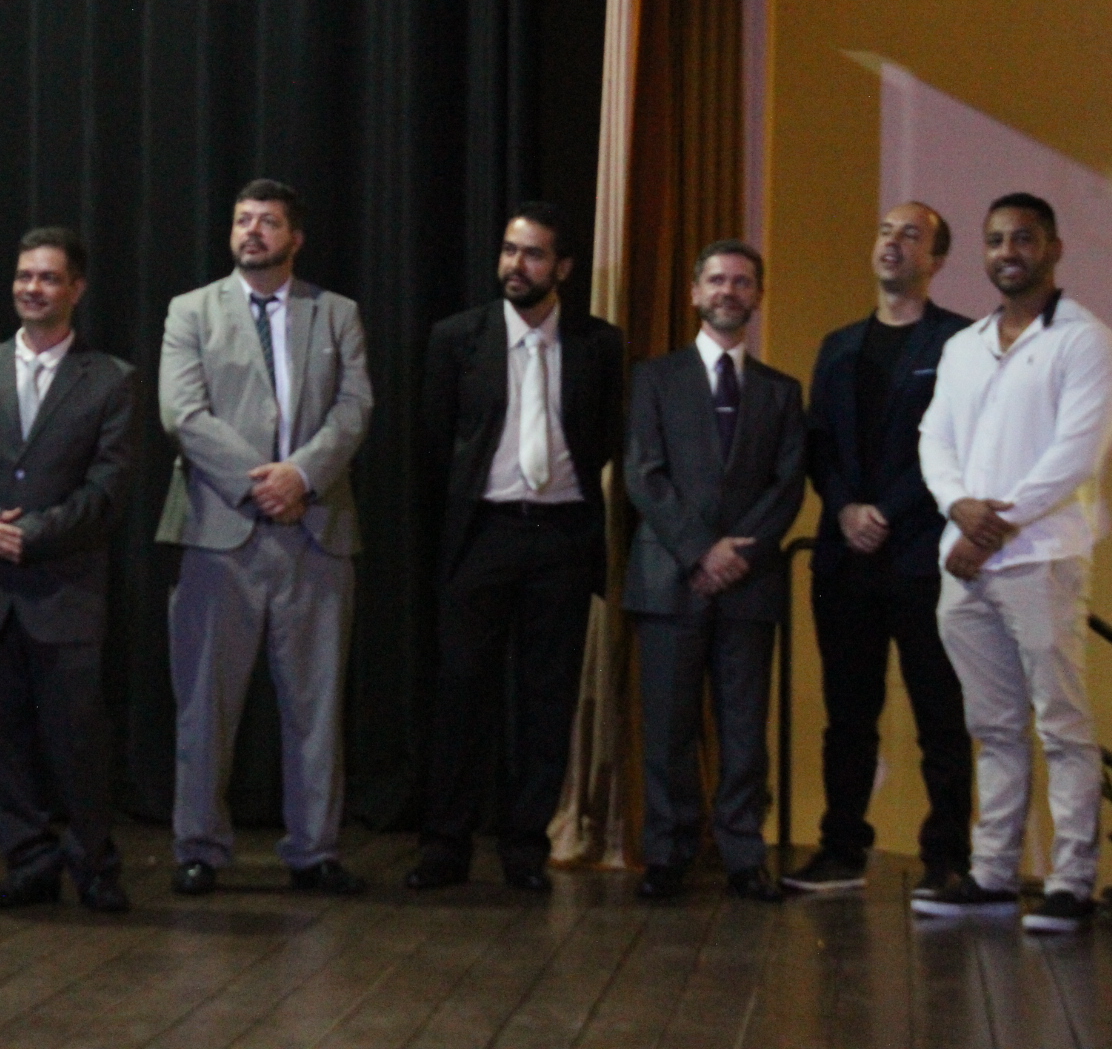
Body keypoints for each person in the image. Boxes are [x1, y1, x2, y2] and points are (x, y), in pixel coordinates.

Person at [158, 179, 373, 896]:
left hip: (315, 532)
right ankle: (198, 847)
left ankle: (314, 851)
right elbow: (182, 414)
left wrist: (300, 477)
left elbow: (354, 409)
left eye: (269, 222)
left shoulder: (336, 313)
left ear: (295, 237)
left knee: (316, 707)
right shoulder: (190, 310)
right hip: (218, 533)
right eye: (243, 219)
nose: (252, 231)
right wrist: (261, 483)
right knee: (204, 705)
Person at [405, 203, 624, 893]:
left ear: (562, 267)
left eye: (532, 254)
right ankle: (445, 844)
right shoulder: (457, 338)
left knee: (547, 699)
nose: (515, 265)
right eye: (509, 250)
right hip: (484, 535)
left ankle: (526, 846)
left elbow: (605, 437)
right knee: (461, 693)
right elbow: (434, 443)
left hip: (561, 536)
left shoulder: (598, 344)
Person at [913, 193, 1112, 934]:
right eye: (996, 240)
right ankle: (994, 873)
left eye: (1023, 239)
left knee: (1061, 726)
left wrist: (989, 528)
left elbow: (1074, 455)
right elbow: (934, 438)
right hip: (965, 563)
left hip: (1042, 559)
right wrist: (958, 506)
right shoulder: (963, 345)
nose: (1008, 253)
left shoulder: (1085, 340)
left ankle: (1071, 881)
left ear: (1053, 248)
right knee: (992, 727)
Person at [0, 227, 137, 914]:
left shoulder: (111, 379)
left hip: (65, 591)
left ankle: (94, 866)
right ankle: (29, 864)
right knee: (5, 742)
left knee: (79, 743)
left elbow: (108, 490)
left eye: (48, 278)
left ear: (76, 288)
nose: (32, 288)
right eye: (24, 276)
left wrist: (33, 536)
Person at [789, 202, 972, 895]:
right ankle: (842, 849)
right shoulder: (839, 345)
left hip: (922, 558)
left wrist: (885, 512)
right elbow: (819, 443)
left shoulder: (960, 343)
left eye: (911, 235)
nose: (893, 243)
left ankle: (947, 857)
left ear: (936, 259)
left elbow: (954, 448)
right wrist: (843, 508)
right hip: (846, 561)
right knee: (848, 718)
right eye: (886, 231)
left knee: (940, 717)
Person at [624, 240, 805, 903]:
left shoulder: (782, 392)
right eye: (718, 280)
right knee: (668, 729)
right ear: (696, 293)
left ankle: (742, 855)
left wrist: (738, 556)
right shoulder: (654, 379)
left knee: (744, 731)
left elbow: (787, 486)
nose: (729, 290)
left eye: (743, 281)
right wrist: (703, 551)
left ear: (758, 296)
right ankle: (668, 853)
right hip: (669, 580)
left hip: (749, 587)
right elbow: (644, 475)